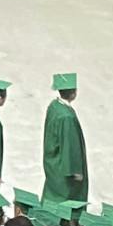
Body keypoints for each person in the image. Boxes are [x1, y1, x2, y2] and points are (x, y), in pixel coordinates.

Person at [43, 75, 87, 203]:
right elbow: (69, 145)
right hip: (64, 167)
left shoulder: (54, 106)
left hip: (54, 161)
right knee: (64, 200)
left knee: (52, 194)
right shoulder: (66, 117)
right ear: (74, 93)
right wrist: (75, 170)